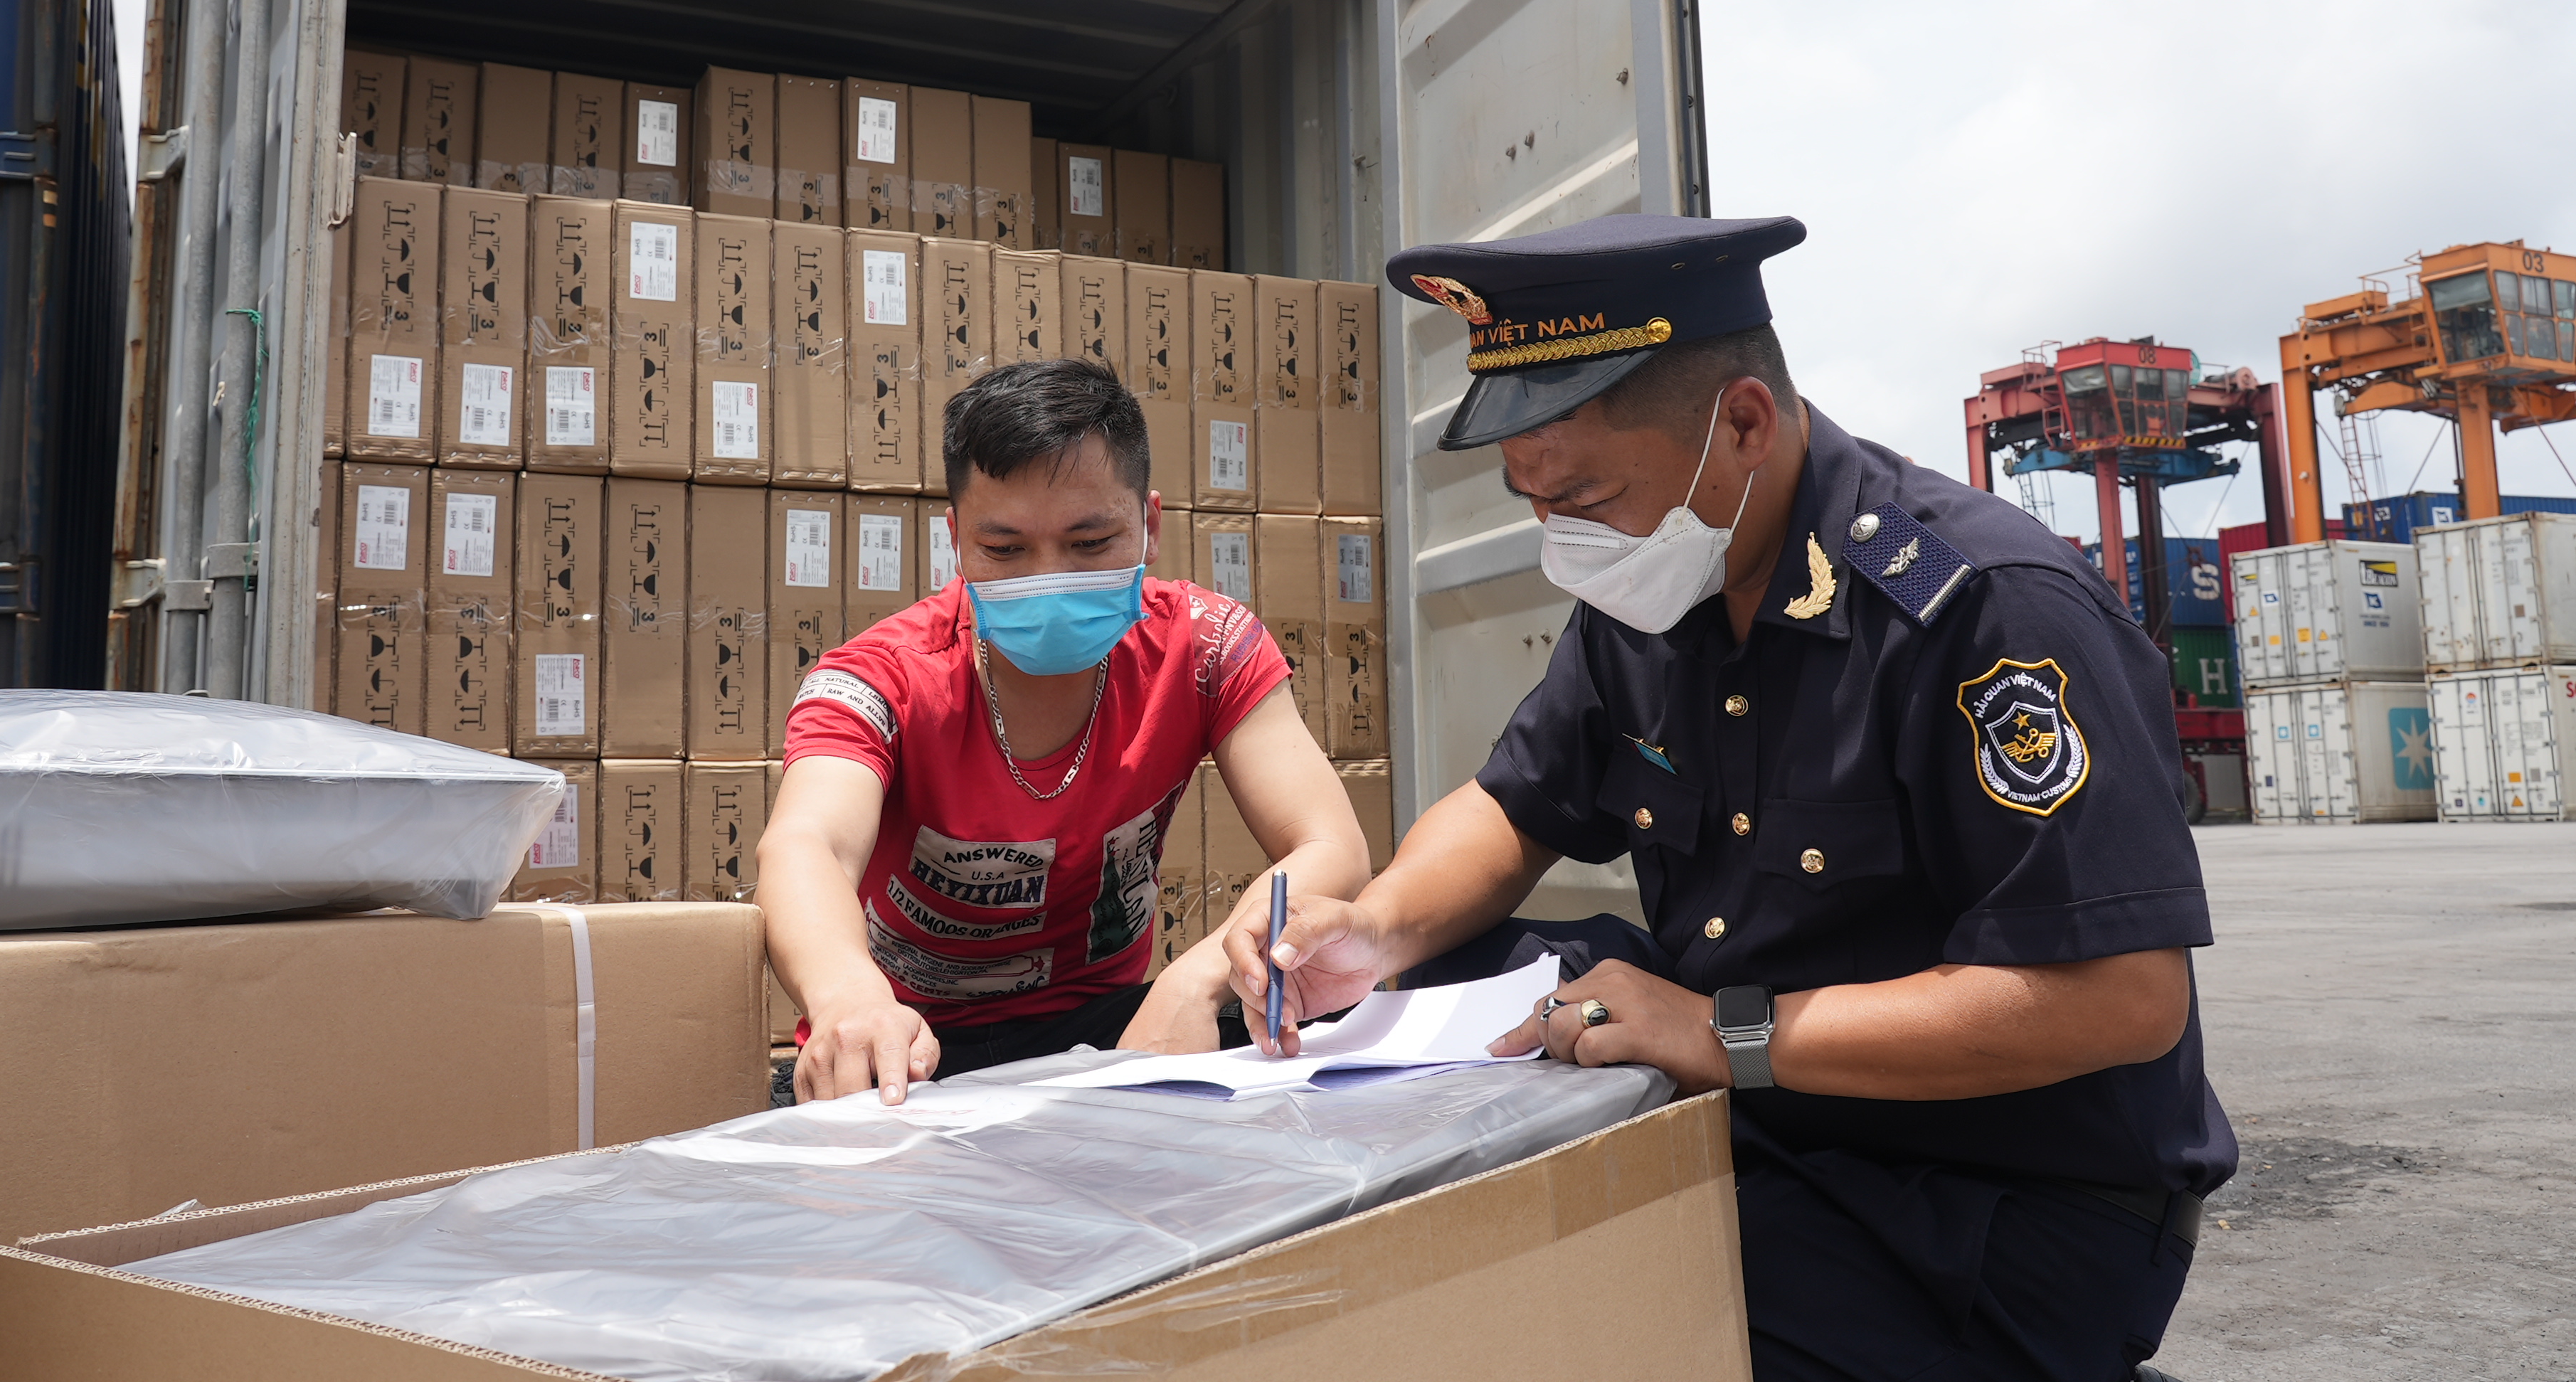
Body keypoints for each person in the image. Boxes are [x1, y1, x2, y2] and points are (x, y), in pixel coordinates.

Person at [1220, 214, 2236, 1381]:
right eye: (1531, 498)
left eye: (1586, 495)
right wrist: (1374, 930)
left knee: (1568, 1333)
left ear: (1744, 423)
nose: (1561, 537)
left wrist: (1720, 1031)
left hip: (1994, 1203)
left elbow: (2121, 998)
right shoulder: (1657, 590)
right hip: (1769, 1113)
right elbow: (1514, 805)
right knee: (1454, 984)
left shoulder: (1981, 610)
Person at [758, 357, 1369, 1105]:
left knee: (1327, 1004)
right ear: (956, 540)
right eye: (1005, 550)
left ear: (1149, 526)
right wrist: (848, 995)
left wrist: (1198, 978)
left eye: (1090, 542)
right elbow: (806, 843)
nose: (1047, 577)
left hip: (1109, 1027)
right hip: (907, 1043)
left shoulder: (1208, 647)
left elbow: (1330, 846)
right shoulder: (880, 678)